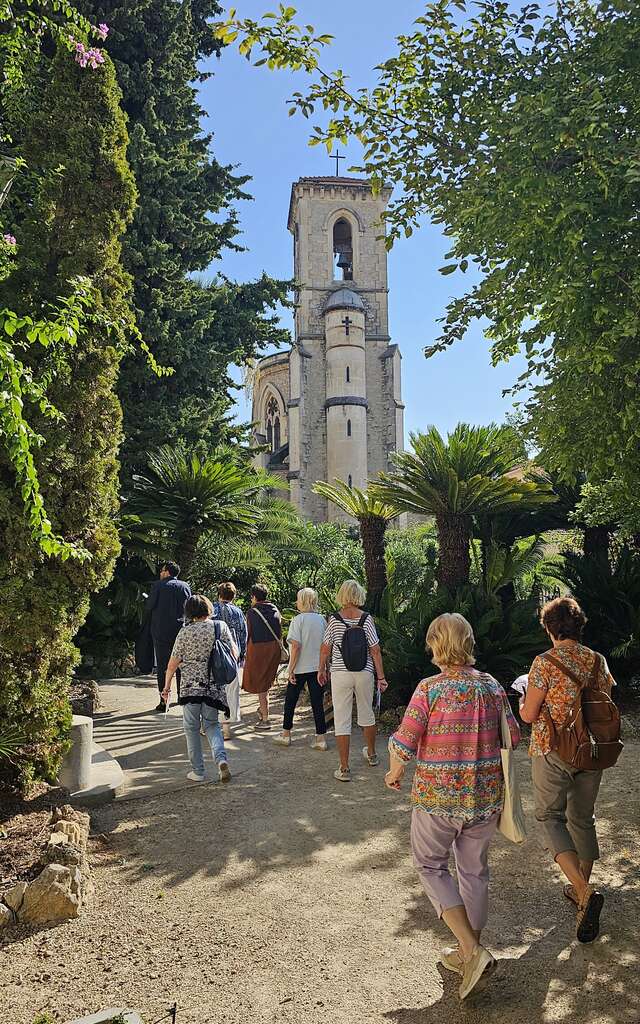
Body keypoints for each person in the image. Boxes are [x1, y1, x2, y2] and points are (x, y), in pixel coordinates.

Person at [385, 613, 520, 1001]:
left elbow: (405, 741)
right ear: (469, 642)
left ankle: (471, 951)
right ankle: (468, 953)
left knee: (430, 865)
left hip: (438, 798)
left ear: (435, 644)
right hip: (484, 796)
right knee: (474, 873)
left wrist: (394, 771)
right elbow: (513, 736)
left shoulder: (430, 688)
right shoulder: (491, 686)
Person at [520, 596, 615, 943]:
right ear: (579, 626)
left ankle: (583, 890)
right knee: (583, 818)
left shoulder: (544, 663)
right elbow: (606, 700)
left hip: (554, 749)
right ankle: (580, 891)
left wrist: (523, 700)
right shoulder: (597, 660)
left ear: (549, 628)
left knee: (550, 817)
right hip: (592, 750)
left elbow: (529, 715)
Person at [161, 594, 236, 783]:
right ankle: (221, 760)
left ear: (189, 612)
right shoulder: (220, 627)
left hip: (190, 687)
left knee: (191, 728)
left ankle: (198, 771)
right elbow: (234, 653)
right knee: (212, 725)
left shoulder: (185, 632)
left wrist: (166, 687)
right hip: (213, 687)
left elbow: (172, 665)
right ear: (208, 608)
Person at [318, 580, 388, 782]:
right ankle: (372, 755)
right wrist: (381, 677)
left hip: (340, 673)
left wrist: (321, 669)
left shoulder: (334, 620)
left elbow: (325, 648)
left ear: (341, 595)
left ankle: (344, 768)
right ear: (359, 595)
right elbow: (375, 650)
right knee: (367, 712)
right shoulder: (366, 619)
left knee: (342, 718)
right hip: (364, 672)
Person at [273, 588, 327, 750]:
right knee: (317, 703)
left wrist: (291, 668)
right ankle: (321, 738)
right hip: (317, 667)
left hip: (300, 668)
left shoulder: (297, 620)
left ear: (302, 601)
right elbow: (326, 646)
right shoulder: (322, 620)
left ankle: (286, 734)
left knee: (290, 701)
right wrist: (326, 667)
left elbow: (296, 646)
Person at [145, 561, 191, 711]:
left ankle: (164, 701)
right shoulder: (185, 586)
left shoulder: (158, 585)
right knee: (180, 665)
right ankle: (181, 696)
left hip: (161, 631)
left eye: (162, 570)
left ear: (167, 572)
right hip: (180, 631)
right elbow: (189, 608)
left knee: (163, 666)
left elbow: (150, 606)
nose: (160, 573)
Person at [242, 584, 283, 730]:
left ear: (254, 597)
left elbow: (248, 633)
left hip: (257, 650)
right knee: (266, 682)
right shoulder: (275, 609)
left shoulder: (252, 612)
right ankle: (263, 710)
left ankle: (265, 718)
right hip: (274, 649)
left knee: (261, 685)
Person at [211, 582, 248, 740]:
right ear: (234, 596)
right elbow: (243, 634)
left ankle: (209, 726)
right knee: (231, 692)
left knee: (213, 691)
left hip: (214, 655)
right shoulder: (238, 612)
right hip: (232, 656)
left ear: (219, 594)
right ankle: (226, 729)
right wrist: (242, 654)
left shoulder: (212, 609)